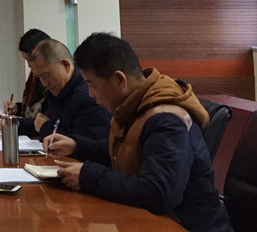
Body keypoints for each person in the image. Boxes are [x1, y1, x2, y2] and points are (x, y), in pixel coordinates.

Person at [49, 33, 232, 232]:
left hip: (186, 226)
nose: (90, 94)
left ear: (120, 80)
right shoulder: (135, 105)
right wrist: (77, 146)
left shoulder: (166, 119)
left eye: (92, 84)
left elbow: (159, 193)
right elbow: (126, 153)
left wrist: (87, 176)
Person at [17, 38, 110, 146]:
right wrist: (15, 124)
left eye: (46, 75)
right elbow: (46, 123)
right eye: (39, 77)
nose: (44, 83)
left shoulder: (87, 96)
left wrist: (45, 127)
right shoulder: (58, 92)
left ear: (66, 65)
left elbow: (81, 146)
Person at [3, 28, 50, 117]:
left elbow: (42, 117)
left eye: (30, 59)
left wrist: (17, 121)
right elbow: (30, 111)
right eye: (26, 60)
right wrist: (16, 108)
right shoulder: (33, 78)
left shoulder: (49, 80)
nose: (28, 65)